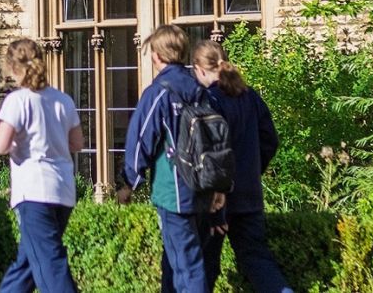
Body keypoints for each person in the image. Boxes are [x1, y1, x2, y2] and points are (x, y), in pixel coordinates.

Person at [118, 25, 225, 293]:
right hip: (204, 188)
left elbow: (140, 140)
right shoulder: (202, 90)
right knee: (176, 263)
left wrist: (129, 182)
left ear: (156, 55)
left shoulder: (159, 92)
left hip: (175, 191)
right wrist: (219, 188)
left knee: (187, 268)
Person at [190, 42, 293, 293]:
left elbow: (208, 153)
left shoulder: (208, 100)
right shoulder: (250, 96)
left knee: (205, 267)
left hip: (217, 199)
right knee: (258, 261)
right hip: (249, 195)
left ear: (199, 69)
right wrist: (252, 171)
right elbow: (270, 140)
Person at [0, 37, 83, 293]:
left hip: (33, 191)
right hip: (63, 190)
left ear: (12, 67)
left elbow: (0, 145)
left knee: (50, 265)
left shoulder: (18, 100)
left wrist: (7, 137)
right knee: (27, 265)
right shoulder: (63, 100)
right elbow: (77, 143)